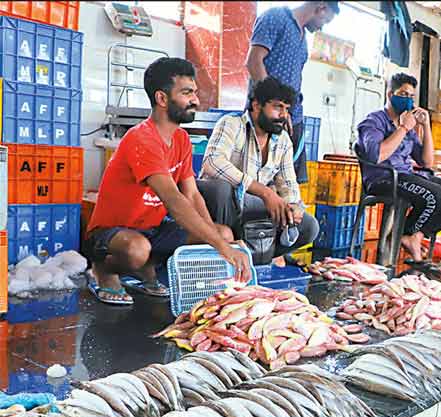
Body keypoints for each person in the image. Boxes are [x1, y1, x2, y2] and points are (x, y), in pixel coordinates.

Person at [85, 57, 251, 306]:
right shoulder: (142, 139)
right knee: (136, 250)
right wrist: (221, 247)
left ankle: (145, 268)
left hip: (153, 230)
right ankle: (102, 271)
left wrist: (219, 239)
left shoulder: (182, 139)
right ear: (162, 99)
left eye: (194, 92)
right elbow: (174, 200)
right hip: (112, 236)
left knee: (223, 232)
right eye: (187, 93)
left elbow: (192, 195)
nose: (195, 100)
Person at [356, 72, 441, 263]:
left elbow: (427, 162)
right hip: (383, 179)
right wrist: (403, 129)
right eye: (403, 94)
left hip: (406, 176)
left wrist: (426, 127)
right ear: (389, 94)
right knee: (435, 194)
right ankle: (405, 235)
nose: (408, 100)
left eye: (411, 96)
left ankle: (415, 235)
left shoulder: (407, 122)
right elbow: (377, 156)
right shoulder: (374, 122)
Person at [197, 77, 318, 258]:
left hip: (254, 206)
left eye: (286, 109)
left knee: (309, 226)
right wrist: (265, 192)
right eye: (277, 107)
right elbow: (213, 162)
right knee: (220, 189)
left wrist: (291, 207)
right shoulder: (232, 123)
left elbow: (289, 184)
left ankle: (258, 257)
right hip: (224, 204)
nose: (283, 115)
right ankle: (225, 255)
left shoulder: (283, 140)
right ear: (256, 105)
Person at [246, 1, 339, 184]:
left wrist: (287, 111)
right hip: (267, 116)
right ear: (321, 7)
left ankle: (291, 212)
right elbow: (254, 61)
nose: (321, 27)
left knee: (289, 182)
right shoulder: (276, 17)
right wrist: (276, 107)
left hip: (293, 117)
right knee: (262, 178)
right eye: (325, 21)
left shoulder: (302, 37)